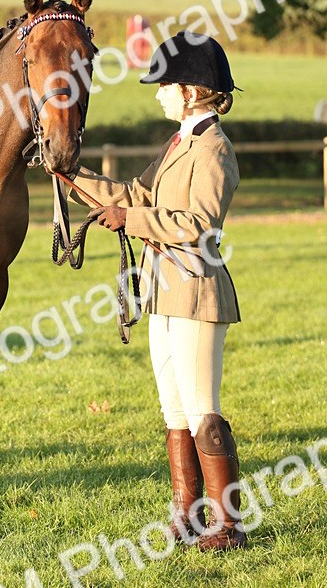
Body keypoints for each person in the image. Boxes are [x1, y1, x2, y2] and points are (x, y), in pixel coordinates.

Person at [71, 32, 246, 551]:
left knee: (201, 409)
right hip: (163, 290)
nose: (158, 94)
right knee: (174, 410)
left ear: (191, 91)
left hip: (195, 288)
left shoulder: (214, 150)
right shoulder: (180, 144)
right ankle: (188, 515)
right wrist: (70, 176)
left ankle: (228, 525)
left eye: (165, 85)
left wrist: (132, 219)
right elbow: (134, 194)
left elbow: (197, 223)